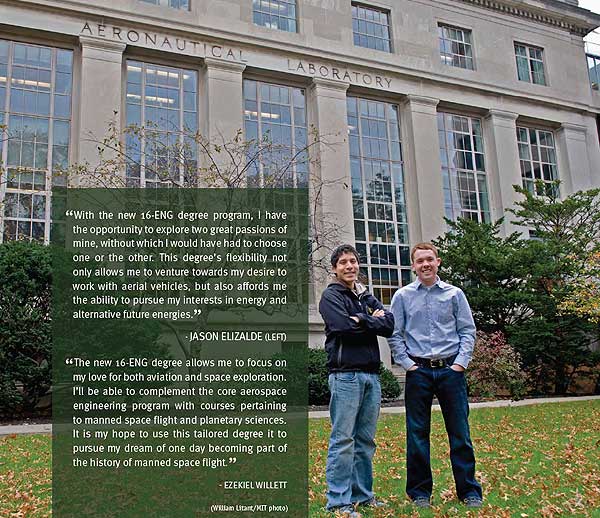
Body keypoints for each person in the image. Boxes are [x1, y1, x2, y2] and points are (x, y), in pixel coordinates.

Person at [388, 242, 483, 509]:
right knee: (417, 434)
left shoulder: (455, 294)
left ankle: (469, 491)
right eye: (420, 261)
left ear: (438, 262)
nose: (425, 264)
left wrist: (460, 364)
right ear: (413, 266)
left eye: (429, 259)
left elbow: (467, 331)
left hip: (450, 371)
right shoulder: (403, 297)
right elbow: (395, 334)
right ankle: (419, 493)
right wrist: (407, 364)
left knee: (460, 433)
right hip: (418, 372)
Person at [318, 244, 395, 517]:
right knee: (343, 440)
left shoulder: (364, 296)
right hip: (345, 376)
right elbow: (342, 327)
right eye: (343, 263)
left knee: (365, 440)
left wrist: (362, 318)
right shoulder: (331, 296)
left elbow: (389, 325)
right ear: (335, 268)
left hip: (371, 376)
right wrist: (369, 321)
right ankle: (338, 502)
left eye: (353, 261)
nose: (349, 266)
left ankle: (363, 496)